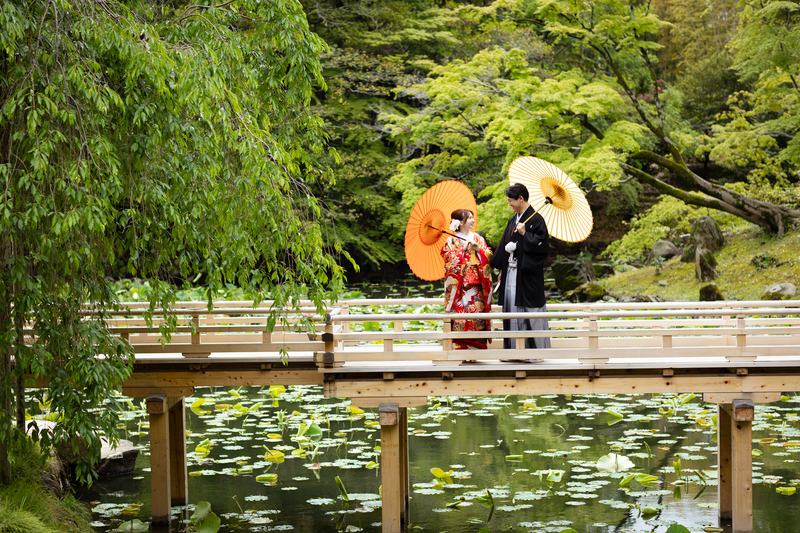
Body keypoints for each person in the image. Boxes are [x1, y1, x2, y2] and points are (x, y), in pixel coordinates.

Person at [490, 183, 551, 355]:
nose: (509, 204)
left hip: (527, 274)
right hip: (510, 272)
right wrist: (502, 269)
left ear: (521, 199)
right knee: (511, 308)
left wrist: (526, 234)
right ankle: (513, 352)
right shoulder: (513, 220)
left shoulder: (536, 220)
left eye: (511, 201)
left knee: (529, 309)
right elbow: (504, 245)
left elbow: (543, 247)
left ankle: (535, 354)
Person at [440, 209, 493, 350]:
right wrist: (461, 250)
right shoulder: (451, 240)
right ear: (461, 222)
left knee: (478, 318)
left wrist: (479, 250)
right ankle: (461, 350)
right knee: (461, 319)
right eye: (469, 218)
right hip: (460, 290)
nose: (473, 220)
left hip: (478, 288)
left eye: (472, 217)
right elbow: (448, 259)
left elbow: (488, 256)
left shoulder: (479, 239)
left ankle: (477, 352)